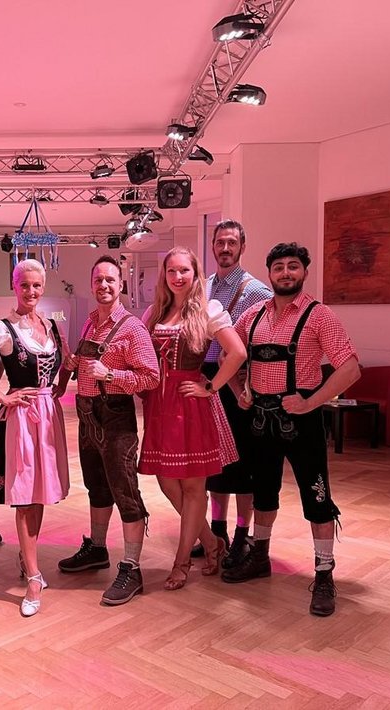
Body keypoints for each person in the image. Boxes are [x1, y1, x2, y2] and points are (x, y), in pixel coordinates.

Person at [223, 242, 360, 617]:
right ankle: (260, 557)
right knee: (263, 493)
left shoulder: (320, 316)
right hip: (260, 421)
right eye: (279, 266)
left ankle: (324, 573)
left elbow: (350, 368)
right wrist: (239, 391)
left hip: (303, 422)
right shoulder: (252, 315)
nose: (286, 272)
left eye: (293, 266)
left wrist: (311, 402)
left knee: (317, 497)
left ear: (304, 272)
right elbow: (229, 355)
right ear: (269, 273)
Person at [0, 259, 70, 617]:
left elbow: (66, 364)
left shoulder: (51, 326)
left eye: (36, 285)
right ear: (15, 286)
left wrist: (60, 387)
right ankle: (34, 578)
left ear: (43, 287)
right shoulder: (2, 329)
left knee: (39, 494)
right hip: (22, 420)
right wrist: (3, 397)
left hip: (47, 417)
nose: (31, 291)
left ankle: (28, 560)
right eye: (24, 285)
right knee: (25, 497)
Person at [139, 246, 247, 591]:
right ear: (164, 275)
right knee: (167, 482)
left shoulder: (207, 310)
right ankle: (212, 541)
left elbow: (238, 352)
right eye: (171, 271)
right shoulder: (155, 312)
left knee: (192, 486)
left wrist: (210, 387)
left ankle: (182, 562)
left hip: (190, 404)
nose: (177, 277)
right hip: (159, 405)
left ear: (195, 274)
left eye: (184, 270)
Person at [56, 255, 159, 606]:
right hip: (88, 415)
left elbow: (152, 377)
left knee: (125, 490)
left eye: (110, 280)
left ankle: (132, 566)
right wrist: (74, 364)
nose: (104, 285)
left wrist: (110, 374)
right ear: (91, 284)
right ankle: (98, 549)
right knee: (97, 487)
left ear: (121, 285)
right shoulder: (90, 323)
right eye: (98, 279)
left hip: (116, 416)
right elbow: (88, 365)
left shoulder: (132, 328)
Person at [194, 219, 272, 569]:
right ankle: (217, 530)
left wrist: (249, 384)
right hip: (207, 379)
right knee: (215, 462)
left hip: (237, 382)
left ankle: (242, 534)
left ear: (242, 247)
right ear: (212, 246)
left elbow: (263, 342)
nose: (225, 248)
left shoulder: (257, 291)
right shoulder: (203, 287)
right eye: (220, 242)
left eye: (231, 243)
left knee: (242, 463)